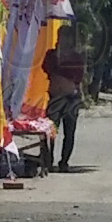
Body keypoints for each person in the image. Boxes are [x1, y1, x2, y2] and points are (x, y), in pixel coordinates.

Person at [42, 25, 85, 172]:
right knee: (51, 130)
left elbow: (77, 76)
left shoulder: (76, 57)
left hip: (70, 98)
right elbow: (47, 68)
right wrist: (59, 56)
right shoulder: (52, 55)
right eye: (61, 36)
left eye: (67, 37)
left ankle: (64, 161)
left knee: (69, 132)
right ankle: (48, 160)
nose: (64, 40)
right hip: (55, 97)